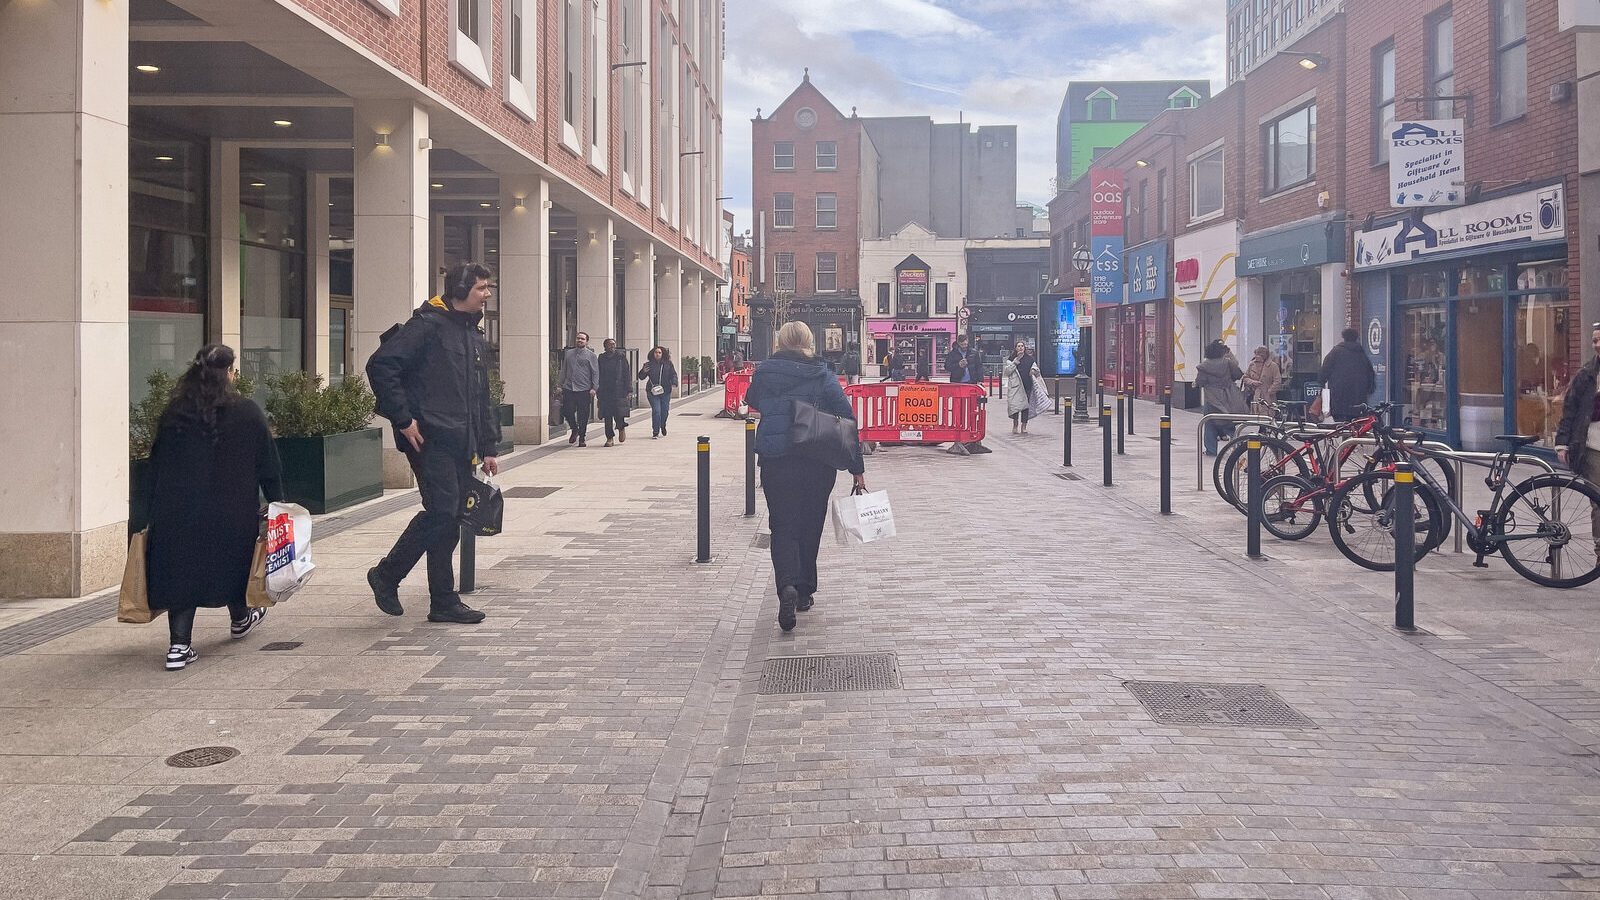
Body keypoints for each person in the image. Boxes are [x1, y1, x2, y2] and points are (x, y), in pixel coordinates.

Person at [365, 261, 500, 625]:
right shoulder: (425, 326)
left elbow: (480, 395)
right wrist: (403, 418)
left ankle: (443, 602)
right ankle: (386, 574)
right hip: (430, 438)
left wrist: (489, 445)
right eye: (481, 288)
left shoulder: (472, 334)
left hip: (463, 440)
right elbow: (381, 366)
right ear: (459, 291)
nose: (487, 294)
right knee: (442, 511)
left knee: (451, 517)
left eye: (488, 288)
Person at [144, 344, 280, 670]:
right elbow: (269, 465)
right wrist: (277, 502)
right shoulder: (247, 412)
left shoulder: (175, 414)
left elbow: (155, 465)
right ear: (229, 373)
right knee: (232, 561)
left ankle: (179, 645)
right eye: (234, 370)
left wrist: (145, 513)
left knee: (182, 572)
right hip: (232, 512)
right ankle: (240, 618)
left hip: (178, 513)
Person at [746, 321, 867, 633]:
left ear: (781, 342)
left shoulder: (765, 371)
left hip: (776, 459)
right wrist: (857, 468)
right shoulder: (821, 373)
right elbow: (846, 418)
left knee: (782, 525)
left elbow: (753, 400)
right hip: (816, 458)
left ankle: (785, 584)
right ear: (810, 341)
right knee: (811, 524)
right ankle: (803, 591)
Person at [1555, 323, 1600, 564]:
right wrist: (1562, 444)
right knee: (1598, 501)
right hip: (1593, 447)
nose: (1597, 345)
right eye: (1594, 341)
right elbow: (1569, 410)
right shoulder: (1587, 374)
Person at [1195, 339, 1247, 455]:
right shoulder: (1228, 363)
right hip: (1229, 396)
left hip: (1212, 397)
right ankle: (1236, 446)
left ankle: (1211, 450)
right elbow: (1238, 374)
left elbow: (1200, 381)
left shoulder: (1204, 366)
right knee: (1229, 422)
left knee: (1210, 423)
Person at [1320, 327, 1377, 421]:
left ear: (1344, 338)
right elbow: (1370, 374)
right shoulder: (1361, 354)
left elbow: (1324, 372)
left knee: (1341, 426)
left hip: (1339, 400)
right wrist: (1368, 390)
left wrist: (1321, 384)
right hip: (1358, 401)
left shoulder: (1335, 352)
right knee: (1355, 426)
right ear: (1356, 338)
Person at [559, 332, 600, 446]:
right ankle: (574, 429)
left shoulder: (591, 355)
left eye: (582, 339)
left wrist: (594, 388)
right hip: (569, 388)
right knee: (567, 411)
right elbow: (564, 370)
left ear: (587, 341)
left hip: (584, 389)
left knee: (583, 414)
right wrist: (559, 385)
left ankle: (582, 437)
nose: (580, 340)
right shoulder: (569, 353)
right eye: (578, 338)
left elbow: (595, 373)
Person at [597, 338, 632, 447]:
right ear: (605, 347)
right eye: (609, 344)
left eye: (613, 344)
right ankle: (609, 438)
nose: (612, 346)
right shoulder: (601, 358)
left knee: (619, 413)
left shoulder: (621, 357)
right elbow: (598, 374)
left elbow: (627, 374)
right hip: (605, 391)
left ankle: (621, 427)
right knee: (607, 416)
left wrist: (629, 390)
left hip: (619, 390)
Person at [638, 345, 678, 438]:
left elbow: (673, 374)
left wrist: (674, 382)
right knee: (656, 411)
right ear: (653, 354)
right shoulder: (648, 365)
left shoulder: (668, 364)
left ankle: (662, 425)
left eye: (659, 352)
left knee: (665, 411)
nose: (657, 354)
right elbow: (641, 377)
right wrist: (643, 371)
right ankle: (655, 431)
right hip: (652, 392)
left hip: (665, 391)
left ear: (663, 354)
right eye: (656, 352)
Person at [1004, 341, 1040, 434]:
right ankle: (1015, 425)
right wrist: (1016, 361)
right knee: (1015, 406)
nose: (1020, 348)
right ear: (1015, 348)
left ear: (1024, 348)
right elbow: (1007, 372)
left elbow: (1036, 369)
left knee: (1025, 407)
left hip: (1027, 385)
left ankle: (1024, 426)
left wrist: (1033, 370)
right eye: (1018, 346)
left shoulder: (1030, 359)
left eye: (1022, 346)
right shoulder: (1011, 359)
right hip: (1015, 387)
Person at [1241, 345, 1284, 414]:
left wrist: (1269, 391)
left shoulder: (1273, 366)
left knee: (1268, 417)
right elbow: (1245, 377)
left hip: (1268, 397)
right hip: (1255, 395)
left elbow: (1277, 381)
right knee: (1256, 415)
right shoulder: (1252, 365)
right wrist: (1252, 382)